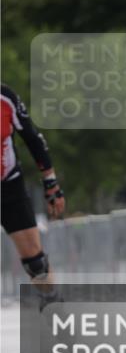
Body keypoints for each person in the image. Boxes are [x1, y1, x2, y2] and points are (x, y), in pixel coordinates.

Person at [1, 83, 66, 310]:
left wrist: (51, 184)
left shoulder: (5, 97)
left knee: (36, 261)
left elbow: (32, 138)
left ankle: (53, 307)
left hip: (8, 186)